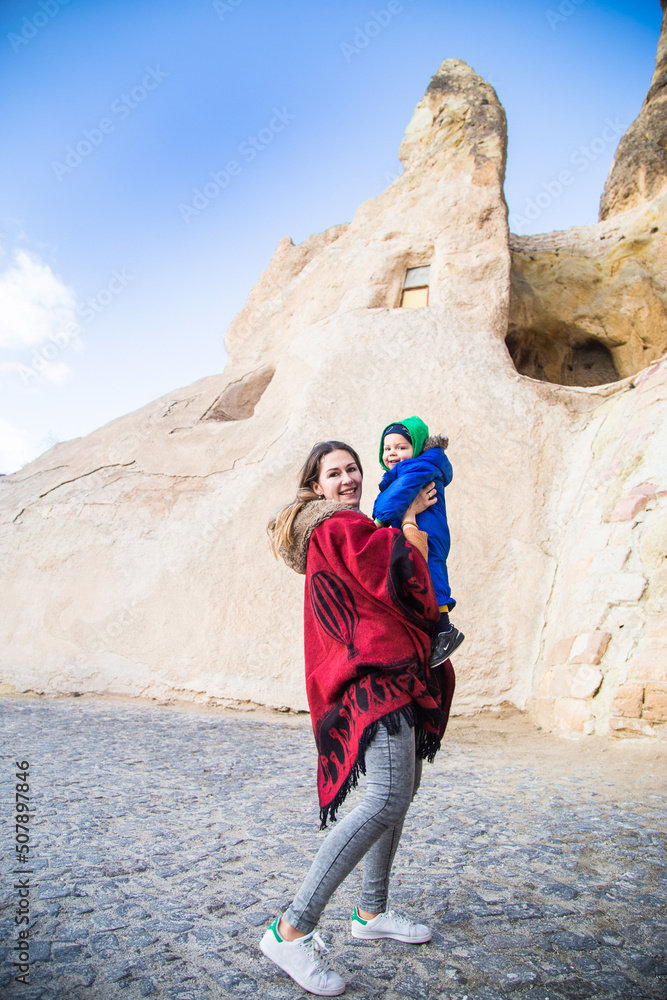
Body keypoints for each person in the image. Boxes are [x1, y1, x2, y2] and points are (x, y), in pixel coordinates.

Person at [262, 440, 455, 996]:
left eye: (353, 470)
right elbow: (399, 573)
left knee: (401, 788)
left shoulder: (341, 527)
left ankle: (371, 913)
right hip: (375, 679)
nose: (347, 479)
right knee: (388, 796)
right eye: (334, 473)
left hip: (387, 674)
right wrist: (414, 520)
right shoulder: (336, 528)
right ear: (315, 486)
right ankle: (290, 929)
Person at [372, 416, 464, 667]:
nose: (392, 453)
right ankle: (433, 629)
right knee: (417, 578)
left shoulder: (419, 467)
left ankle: (445, 631)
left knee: (431, 574)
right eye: (387, 448)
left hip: (429, 532)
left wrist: (378, 519)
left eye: (401, 447)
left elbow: (395, 498)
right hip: (420, 528)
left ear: (418, 446)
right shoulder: (410, 469)